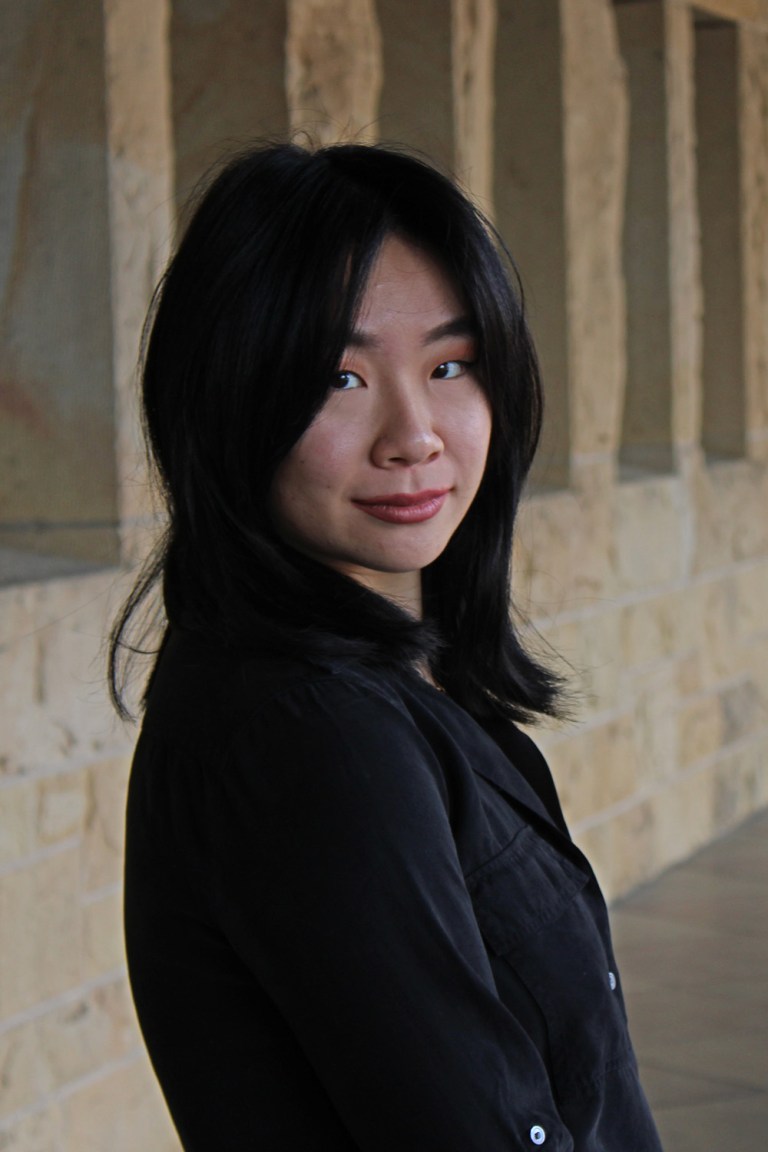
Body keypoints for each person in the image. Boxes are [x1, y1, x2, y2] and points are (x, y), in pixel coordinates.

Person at [112, 141, 663, 1152]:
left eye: (450, 365)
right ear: (232, 400)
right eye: (340, 376)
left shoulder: (396, 678)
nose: (414, 434)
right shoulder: (313, 736)